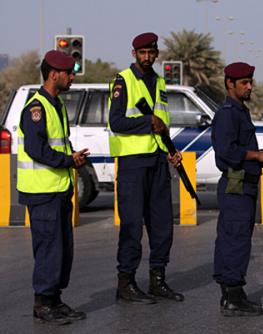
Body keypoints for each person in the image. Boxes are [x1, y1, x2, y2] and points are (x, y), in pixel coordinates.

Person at [108, 32, 184, 305]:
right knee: (131, 225)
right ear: (134, 54)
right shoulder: (122, 81)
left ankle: (157, 280)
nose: (148, 57)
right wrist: (147, 122)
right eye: (143, 53)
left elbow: (162, 123)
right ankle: (125, 283)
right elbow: (116, 122)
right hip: (132, 163)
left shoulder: (159, 81)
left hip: (156, 161)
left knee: (163, 225)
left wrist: (171, 151)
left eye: (152, 52)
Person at [17, 50, 89, 325]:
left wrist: (73, 158)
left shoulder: (56, 104)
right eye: (69, 73)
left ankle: (55, 299)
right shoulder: (36, 108)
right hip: (42, 191)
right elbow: (37, 150)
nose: (72, 77)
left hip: (59, 188)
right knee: (49, 247)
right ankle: (43, 302)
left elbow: (59, 143)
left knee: (62, 248)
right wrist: (67, 160)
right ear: (53, 74)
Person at [211, 62, 263, 316]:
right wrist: (256, 155)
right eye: (244, 83)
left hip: (244, 183)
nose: (249, 86)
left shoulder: (240, 110)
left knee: (234, 238)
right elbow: (226, 151)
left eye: (251, 81)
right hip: (236, 183)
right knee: (235, 240)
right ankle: (233, 296)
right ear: (230, 84)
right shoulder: (228, 113)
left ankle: (231, 295)